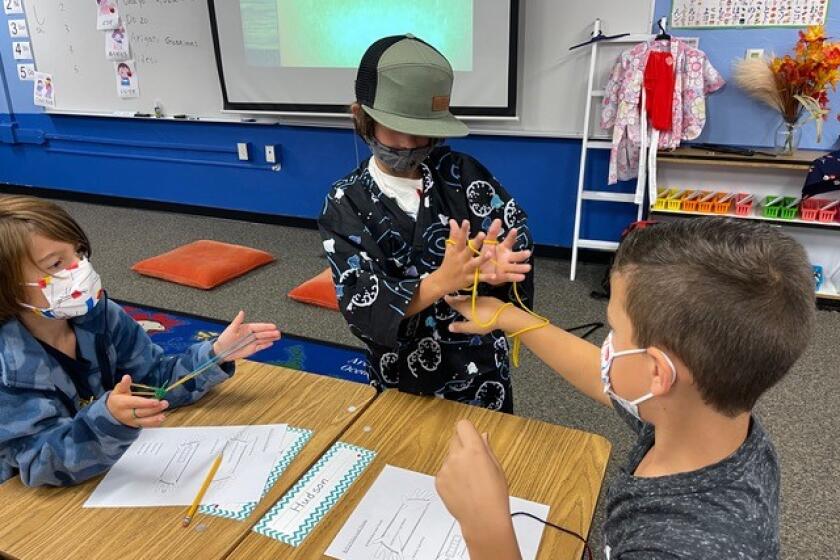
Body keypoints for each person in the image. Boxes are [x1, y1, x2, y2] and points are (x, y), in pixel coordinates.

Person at [435, 218, 815, 559]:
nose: (607, 346)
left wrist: (485, 524)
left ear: (657, 374)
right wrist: (511, 318)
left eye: (614, 331)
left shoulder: (675, 547)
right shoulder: (705, 421)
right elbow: (607, 377)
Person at [0, 195, 281, 487]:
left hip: (109, 471)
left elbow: (155, 378)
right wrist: (110, 419)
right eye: (57, 263)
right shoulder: (7, 364)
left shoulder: (101, 316)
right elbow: (38, 462)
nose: (79, 269)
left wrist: (216, 354)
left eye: (79, 253)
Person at [318, 34, 534, 412]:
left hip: (480, 371)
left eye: (422, 132)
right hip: (404, 377)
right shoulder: (345, 201)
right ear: (361, 118)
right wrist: (441, 282)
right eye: (394, 128)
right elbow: (360, 302)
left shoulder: (463, 174)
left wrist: (503, 267)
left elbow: (512, 238)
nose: (409, 143)